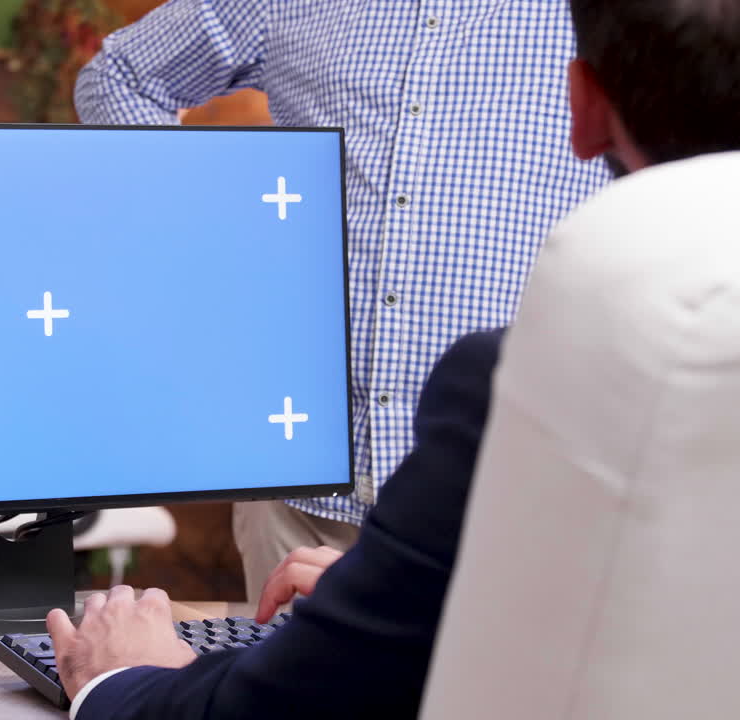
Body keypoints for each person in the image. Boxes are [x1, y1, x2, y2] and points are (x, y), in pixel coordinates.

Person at [51, 0, 740, 718]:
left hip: (524, 482)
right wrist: (215, 237)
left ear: (585, 108)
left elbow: (272, 706)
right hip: (321, 494)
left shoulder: (506, 388)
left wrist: (121, 683)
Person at [74, 0, 609, 601]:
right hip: (298, 500)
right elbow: (120, 77)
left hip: (504, 502)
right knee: (277, 669)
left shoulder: (607, 16)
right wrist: (208, 234)